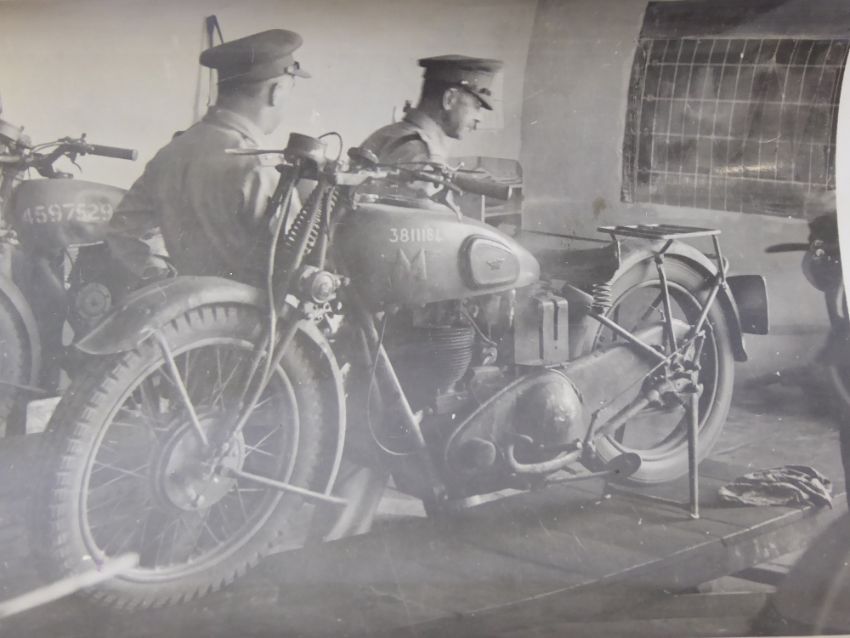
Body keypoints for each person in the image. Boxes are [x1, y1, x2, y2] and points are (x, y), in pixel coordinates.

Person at [107, 28, 309, 283]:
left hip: (188, 303)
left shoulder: (171, 153)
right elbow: (298, 261)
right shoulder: (259, 166)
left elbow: (122, 230)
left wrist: (160, 274)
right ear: (276, 92)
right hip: (253, 306)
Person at [360, 54, 502, 166]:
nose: (480, 118)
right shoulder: (423, 153)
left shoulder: (388, 133)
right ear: (450, 99)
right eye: (477, 106)